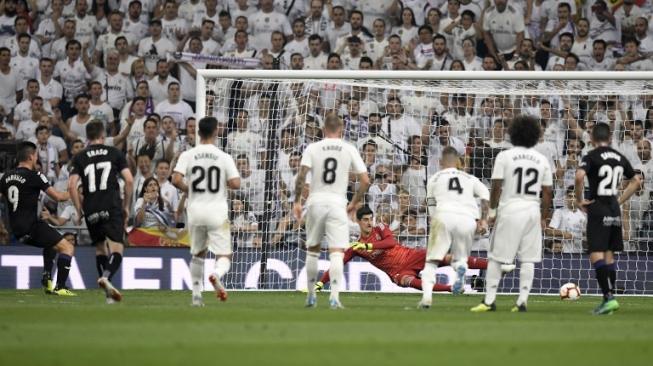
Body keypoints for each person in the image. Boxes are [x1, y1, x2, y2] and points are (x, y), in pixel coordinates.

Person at [471, 115, 553, 313]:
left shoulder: (505, 156)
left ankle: (489, 301)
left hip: (510, 209)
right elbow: (548, 192)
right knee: (528, 258)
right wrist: (543, 217)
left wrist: (492, 210)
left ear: (513, 133)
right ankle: (522, 301)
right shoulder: (541, 159)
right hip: (532, 210)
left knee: (496, 257)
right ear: (534, 136)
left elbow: (496, 185)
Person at [292, 113, 370, 309]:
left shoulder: (313, 148)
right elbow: (366, 180)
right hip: (337, 204)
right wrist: (354, 202)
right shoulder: (348, 148)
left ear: (324, 129)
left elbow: (301, 176)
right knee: (336, 253)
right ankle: (334, 297)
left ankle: (311, 296)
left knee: (313, 251)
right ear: (341, 129)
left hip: (316, 202)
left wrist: (296, 201)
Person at [316, 206, 489, 294]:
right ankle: (452, 289)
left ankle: (490, 265)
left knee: (450, 258)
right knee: (409, 281)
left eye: (371, 219)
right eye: (366, 220)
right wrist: (320, 283)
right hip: (397, 272)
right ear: (359, 221)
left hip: (411, 255)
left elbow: (390, 242)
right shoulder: (356, 247)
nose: (370, 222)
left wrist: (368, 246)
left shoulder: (380, 228)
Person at [172, 116, 241, 307]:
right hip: (217, 211)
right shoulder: (223, 156)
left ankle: (196, 296)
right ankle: (216, 274)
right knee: (224, 255)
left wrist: (190, 189)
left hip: (195, 210)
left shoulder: (188, 154)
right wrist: (221, 182)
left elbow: (176, 179)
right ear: (215, 132)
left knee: (197, 254)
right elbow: (236, 183)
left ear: (198, 132)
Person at [574, 123, 642, 315]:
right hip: (613, 209)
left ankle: (608, 298)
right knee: (609, 255)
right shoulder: (620, 157)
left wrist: (580, 201)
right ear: (610, 138)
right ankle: (609, 300)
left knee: (596, 253)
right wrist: (619, 200)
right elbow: (637, 180)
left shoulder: (592, 156)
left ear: (593, 138)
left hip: (598, 207)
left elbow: (579, 176)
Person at [68, 121, 134, 304]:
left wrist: (78, 209)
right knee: (117, 247)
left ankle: (109, 296)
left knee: (99, 249)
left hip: (91, 207)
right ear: (103, 135)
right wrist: (127, 206)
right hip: (111, 204)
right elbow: (129, 180)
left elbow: (71, 185)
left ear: (88, 137)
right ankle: (106, 277)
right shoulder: (115, 153)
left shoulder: (80, 157)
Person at [0, 141, 75, 296]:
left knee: (51, 243)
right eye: (35, 156)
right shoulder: (36, 176)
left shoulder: (6, 177)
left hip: (16, 230)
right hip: (31, 226)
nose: (36, 159)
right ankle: (60, 286)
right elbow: (59, 197)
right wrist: (72, 191)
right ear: (30, 157)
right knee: (67, 248)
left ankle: (47, 277)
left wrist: (1, 226)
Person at [419, 147, 490, 308]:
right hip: (467, 219)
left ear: (441, 162)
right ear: (457, 161)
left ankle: (427, 297)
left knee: (431, 262)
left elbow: (431, 204)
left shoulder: (434, 178)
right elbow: (486, 194)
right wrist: (484, 220)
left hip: (443, 215)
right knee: (460, 258)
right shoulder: (469, 178)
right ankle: (461, 268)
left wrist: (433, 220)